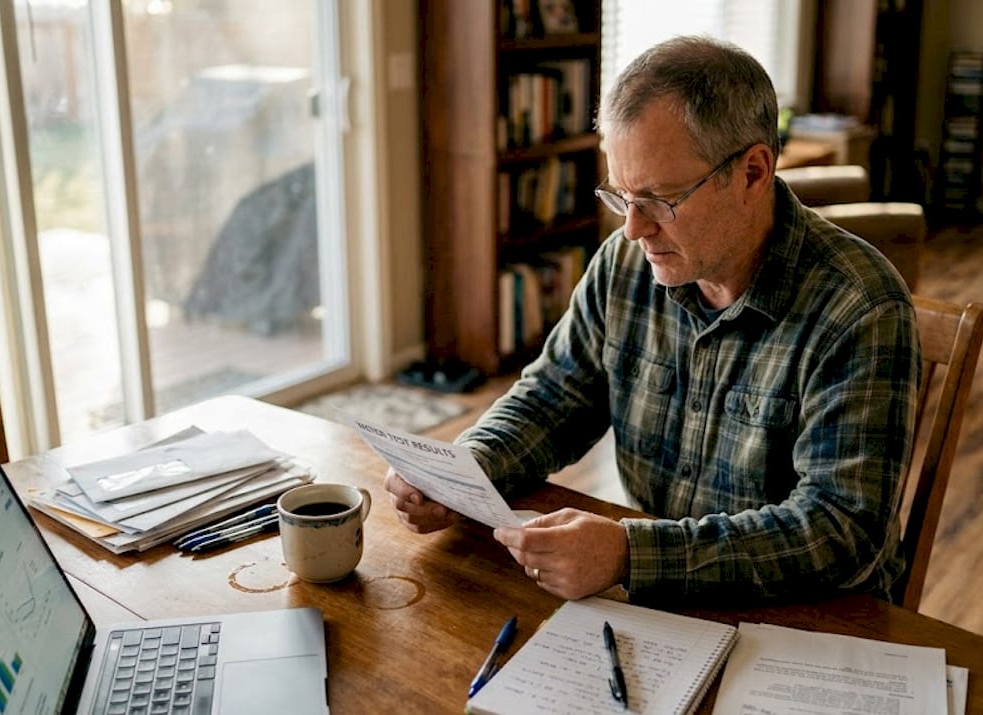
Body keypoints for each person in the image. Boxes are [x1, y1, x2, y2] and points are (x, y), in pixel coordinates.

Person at [386, 36, 921, 604]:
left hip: (815, 619)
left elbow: (840, 529)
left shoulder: (861, 307)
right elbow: (555, 396)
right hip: (663, 599)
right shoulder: (626, 261)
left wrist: (629, 554)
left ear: (753, 172)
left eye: (660, 199)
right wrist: (466, 470)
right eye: (621, 196)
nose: (634, 229)